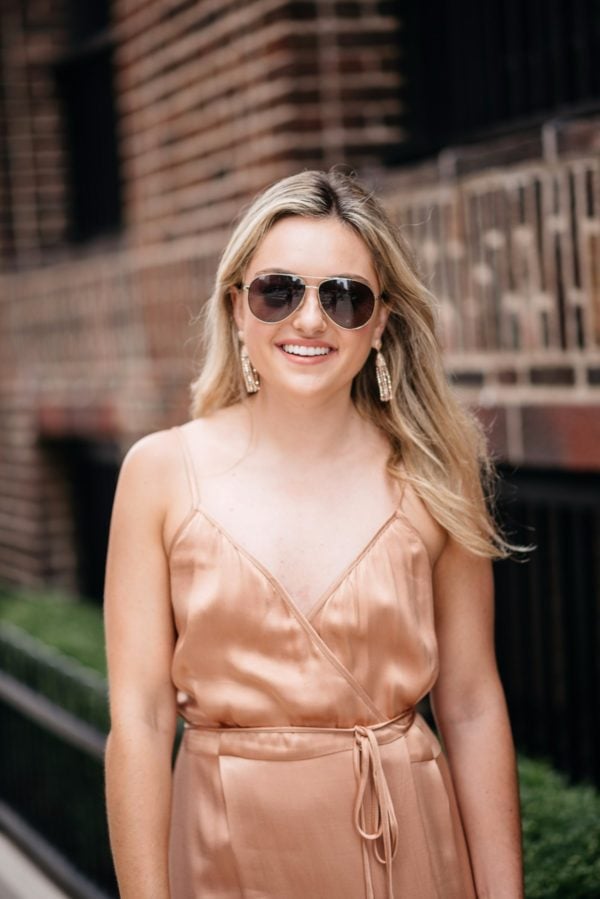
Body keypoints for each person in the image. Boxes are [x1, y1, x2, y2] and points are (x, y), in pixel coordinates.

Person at [103, 169, 524, 899]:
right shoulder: (161, 472)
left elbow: (471, 701)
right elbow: (137, 719)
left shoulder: (435, 474)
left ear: (381, 321)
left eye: (344, 296)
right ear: (237, 307)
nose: (309, 319)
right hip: (222, 855)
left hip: (408, 853)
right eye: (279, 290)